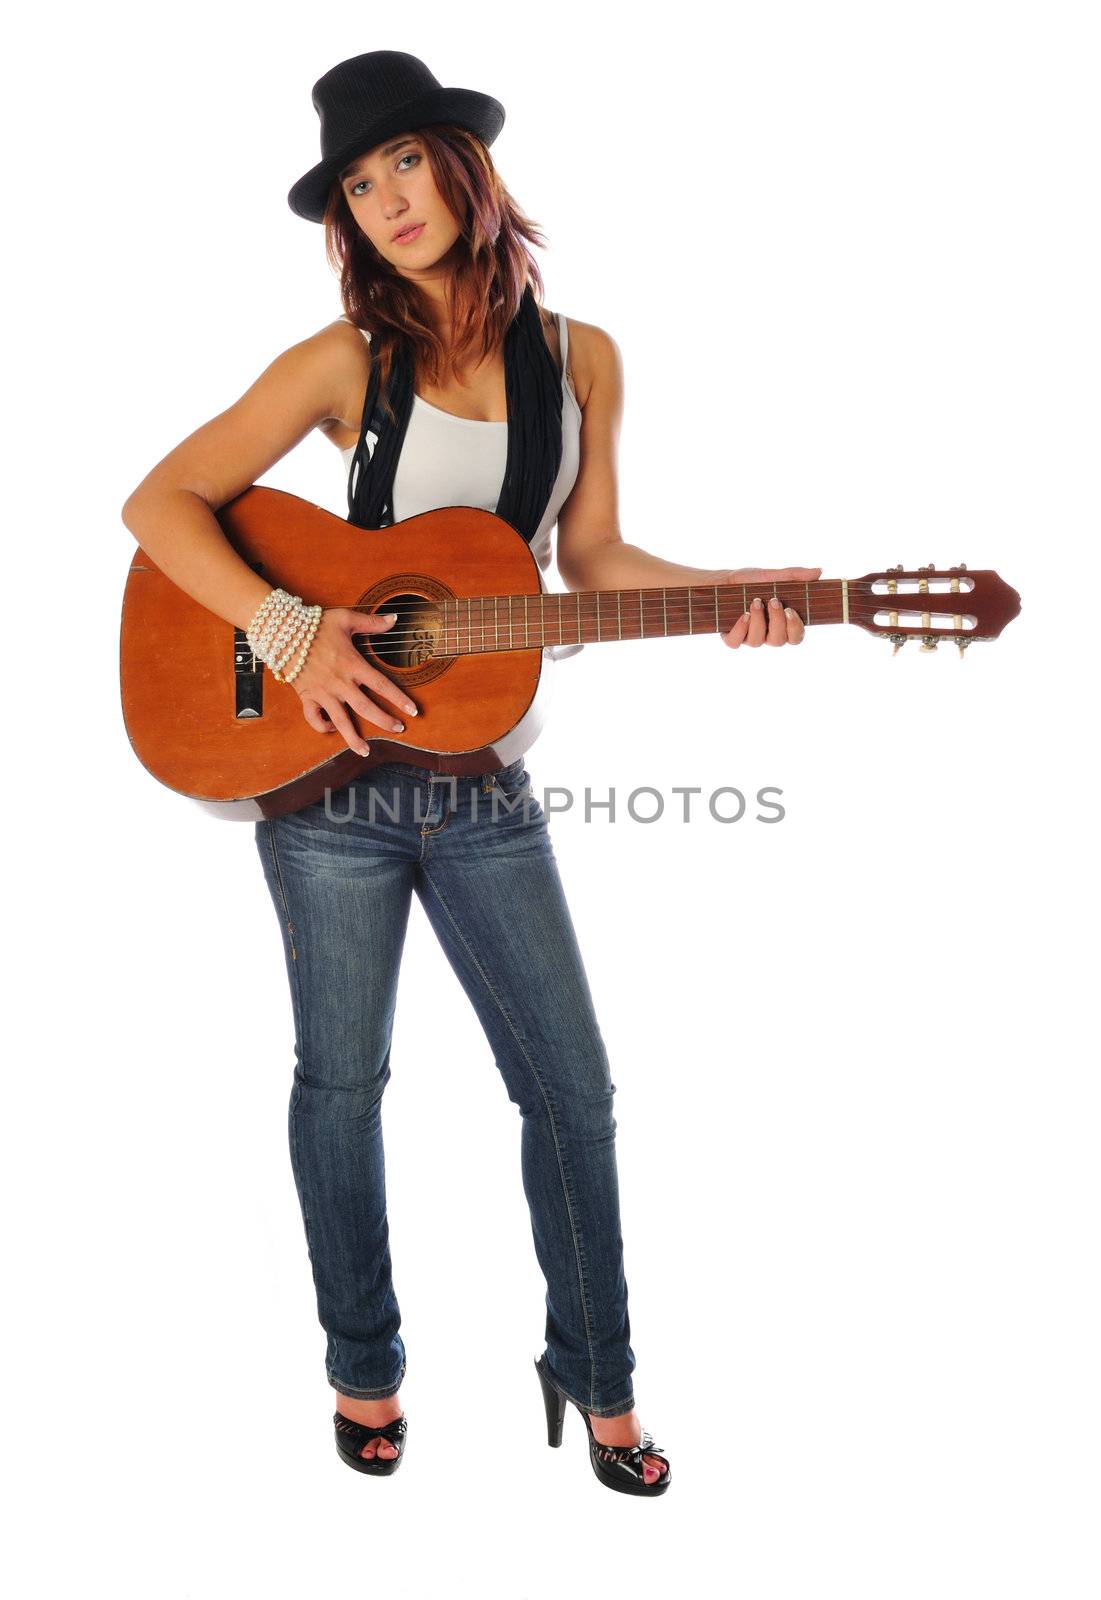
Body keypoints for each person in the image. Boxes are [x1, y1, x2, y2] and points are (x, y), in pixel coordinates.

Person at [121, 49, 818, 1497]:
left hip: (482, 780)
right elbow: (157, 502)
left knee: (571, 1091)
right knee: (343, 1080)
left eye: (402, 164)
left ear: (462, 166)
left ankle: (597, 1370)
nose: (384, 202)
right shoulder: (338, 363)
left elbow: (592, 563)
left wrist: (739, 591)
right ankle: (362, 1363)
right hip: (330, 790)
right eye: (356, 187)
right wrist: (291, 628)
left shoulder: (583, 360)